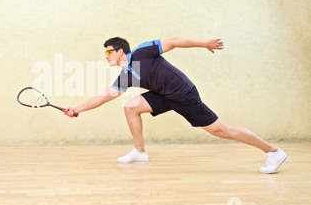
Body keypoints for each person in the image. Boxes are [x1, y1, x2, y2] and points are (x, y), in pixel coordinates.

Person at [64, 37, 289, 174]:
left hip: (184, 94)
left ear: (121, 51)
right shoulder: (126, 75)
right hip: (165, 95)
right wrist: (77, 109)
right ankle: (140, 152)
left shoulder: (142, 52)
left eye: (109, 51)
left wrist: (205, 44)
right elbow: (104, 97)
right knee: (131, 106)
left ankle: (273, 152)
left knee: (221, 131)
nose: (106, 56)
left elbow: (173, 42)